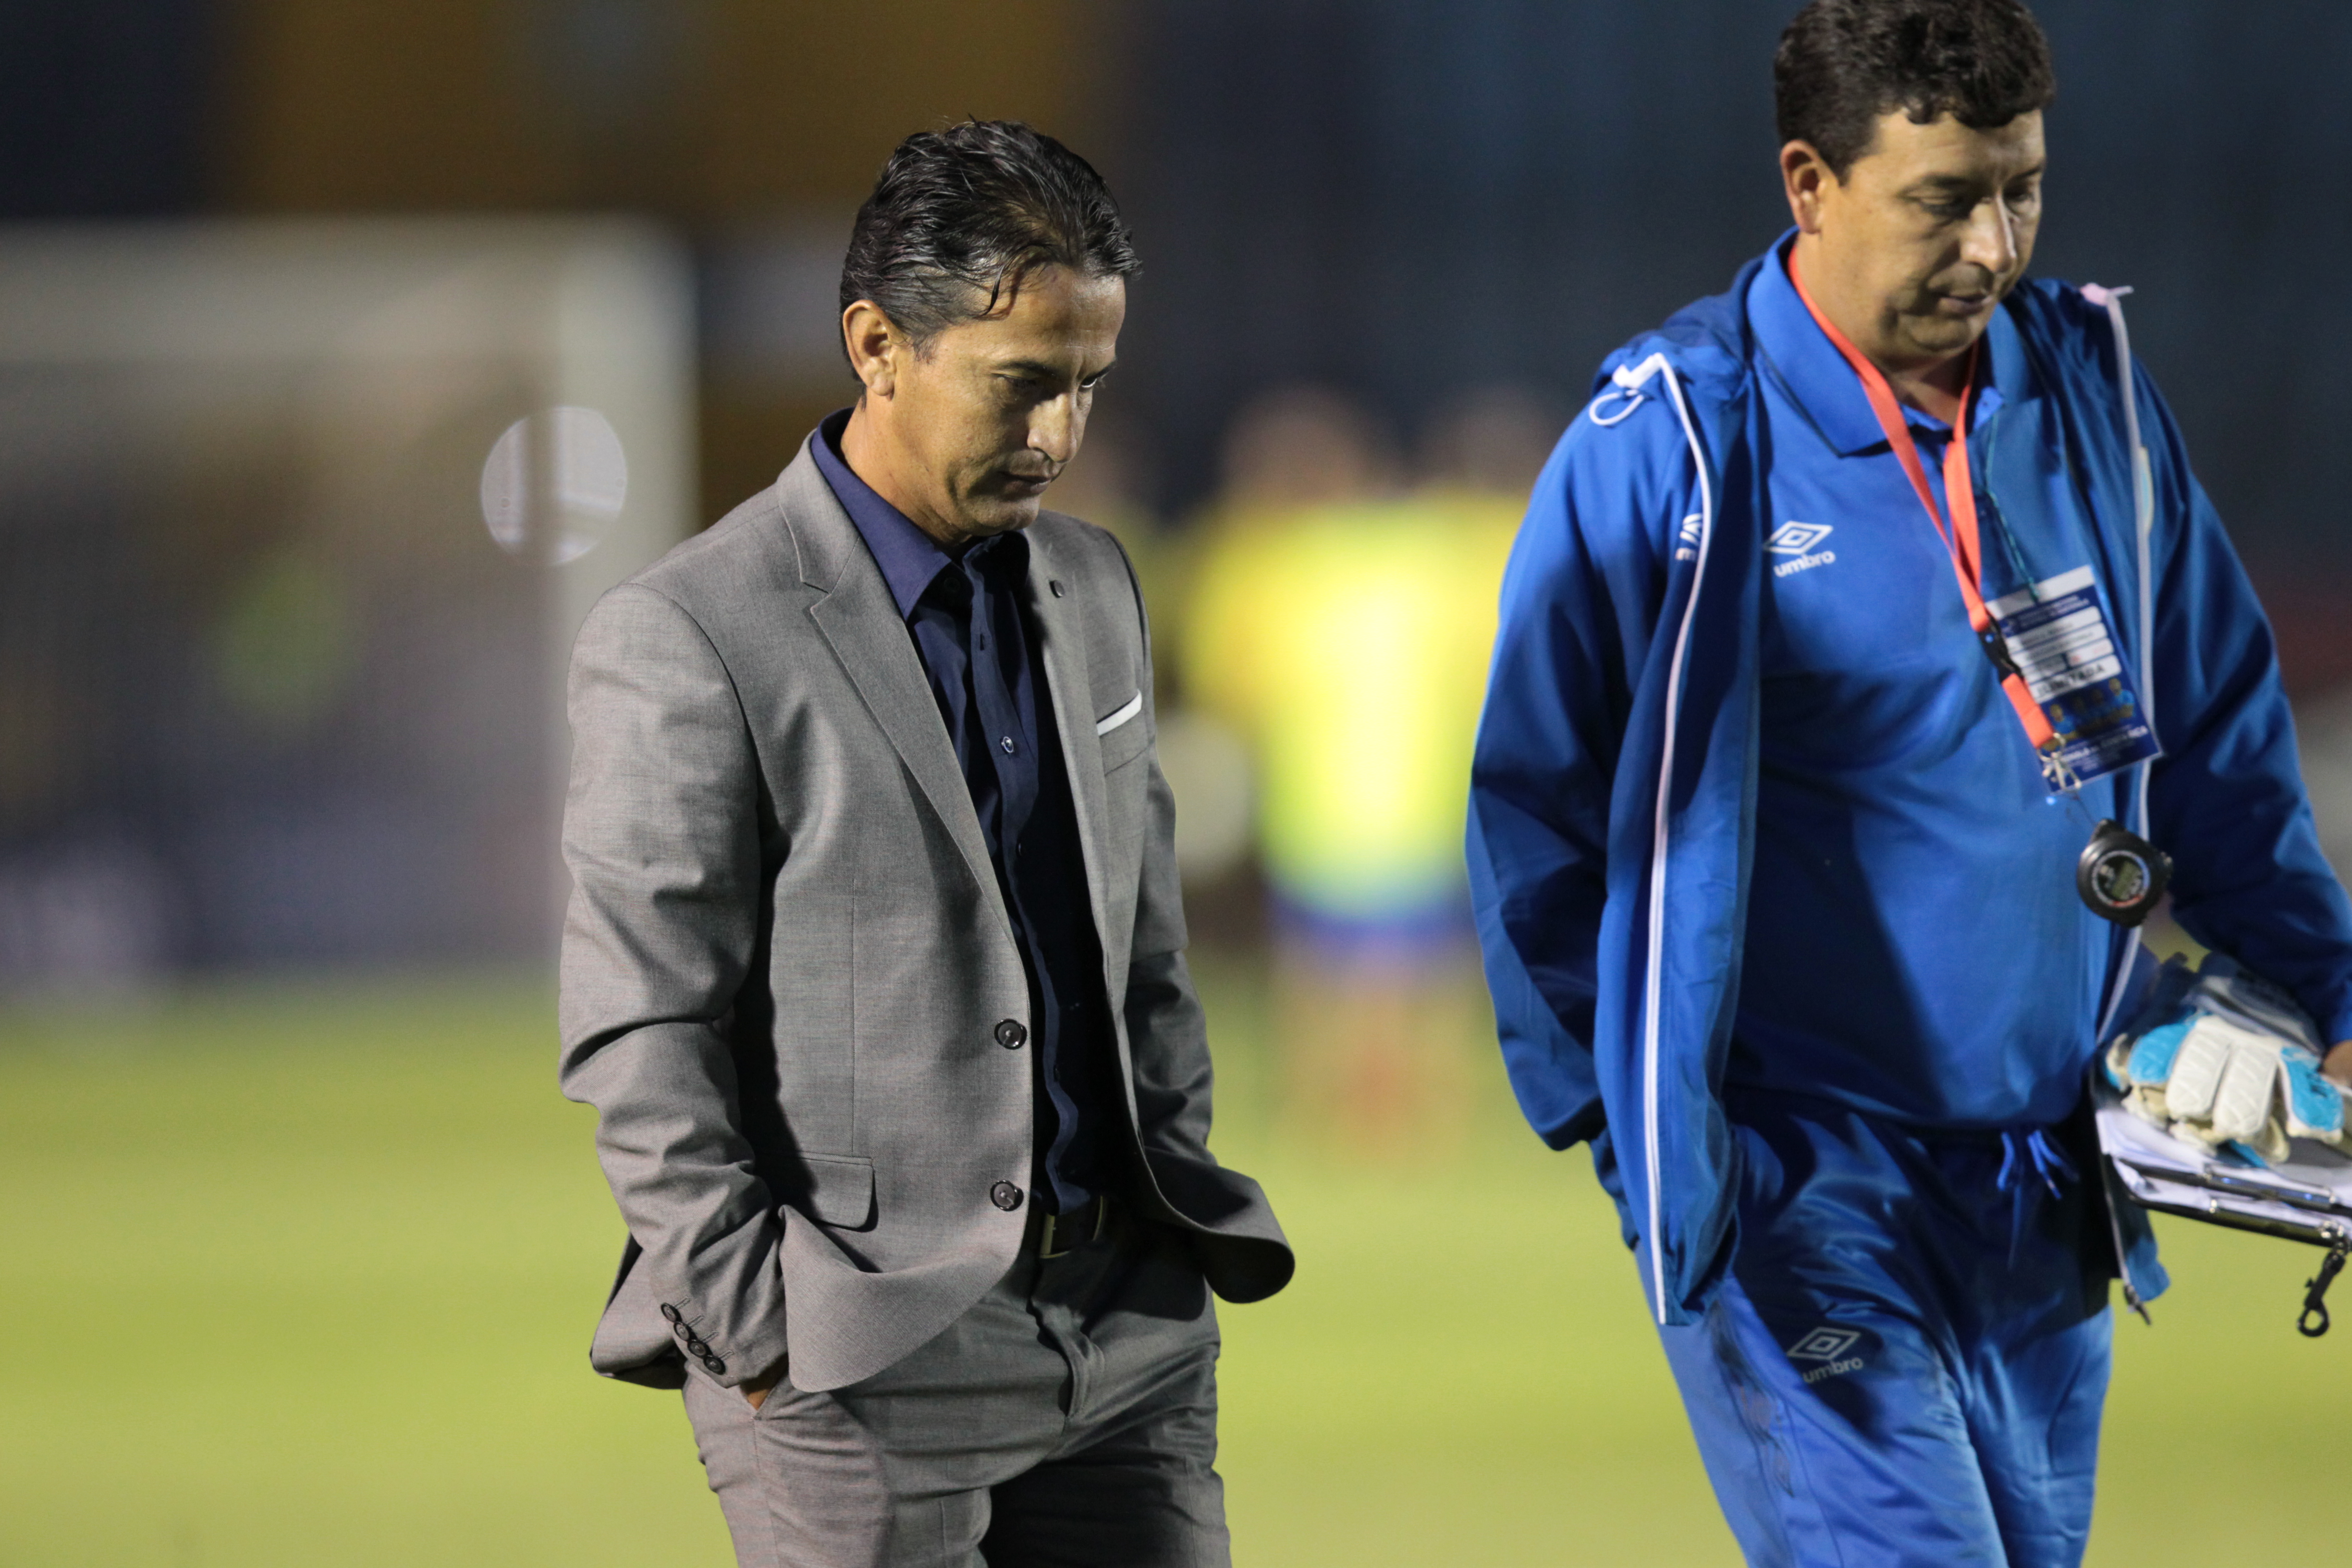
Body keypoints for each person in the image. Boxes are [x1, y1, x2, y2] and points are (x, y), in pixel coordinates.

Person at [1468, 2, 2352, 1563]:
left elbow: (2212, 743)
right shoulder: (1669, 438)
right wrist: (1640, 1134)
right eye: (1943, 197)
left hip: (2041, 1183)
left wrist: (2326, 994)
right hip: (1798, 1186)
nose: (1992, 242)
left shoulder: (2088, 392)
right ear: (1807, 182)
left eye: (2021, 188)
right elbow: (1530, 808)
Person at [558, 119, 1291, 1568]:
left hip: (1127, 1343)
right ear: (878, 343)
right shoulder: (694, 632)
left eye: (1088, 386)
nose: (1061, 437)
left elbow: (1143, 945)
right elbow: (639, 1031)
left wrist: (1169, 1173)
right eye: (1023, 385)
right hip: (860, 1364)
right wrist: (763, 1336)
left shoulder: (1093, 584)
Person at [1183, 388, 1517, 1151]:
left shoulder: (1267, 563)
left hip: (1321, 797)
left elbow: (1227, 680)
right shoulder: (1444, 550)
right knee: (1419, 959)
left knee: (1324, 958)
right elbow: (1495, 661)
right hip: (1418, 792)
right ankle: (1418, 1103)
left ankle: (1333, 1101)